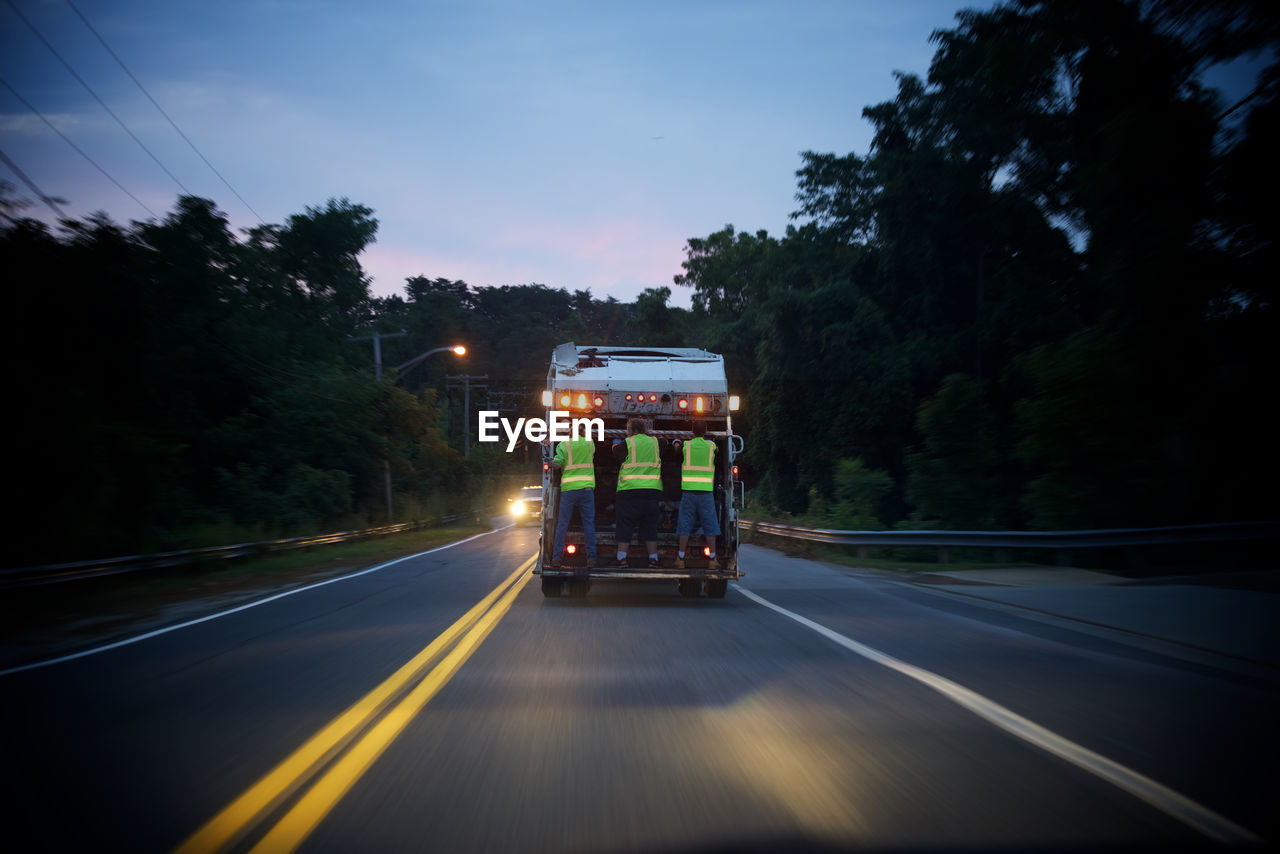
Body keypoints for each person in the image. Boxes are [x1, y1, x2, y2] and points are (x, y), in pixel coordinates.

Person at [612, 418, 667, 568]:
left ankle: (622, 559)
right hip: (651, 493)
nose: (627, 432)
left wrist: (616, 442)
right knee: (650, 528)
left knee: (625, 526)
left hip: (629, 493)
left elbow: (616, 452)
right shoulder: (656, 442)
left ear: (632, 430)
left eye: (628, 429)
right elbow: (665, 443)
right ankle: (653, 559)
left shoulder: (628, 443)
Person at [674, 420, 721, 569]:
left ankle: (680, 559)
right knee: (710, 525)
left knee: (685, 524)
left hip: (689, 492)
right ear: (706, 431)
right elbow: (718, 453)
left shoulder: (686, 446)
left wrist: (675, 442)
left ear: (692, 431)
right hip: (706, 493)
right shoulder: (712, 446)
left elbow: (677, 451)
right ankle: (713, 560)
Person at [551, 433, 597, 567]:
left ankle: (557, 558)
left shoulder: (563, 445)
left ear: (570, 433)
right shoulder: (590, 443)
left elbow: (558, 463)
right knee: (588, 524)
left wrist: (551, 463)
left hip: (569, 489)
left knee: (562, 524)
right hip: (587, 489)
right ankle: (592, 559)